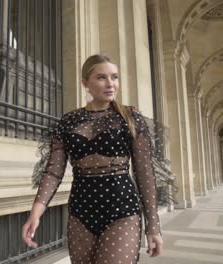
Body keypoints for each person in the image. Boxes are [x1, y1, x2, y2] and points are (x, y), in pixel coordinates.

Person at [22, 54, 163, 263]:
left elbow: (144, 173)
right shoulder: (68, 121)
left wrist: (153, 226)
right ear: (85, 83)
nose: (110, 84)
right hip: (81, 213)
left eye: (114, 77)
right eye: (101, 78)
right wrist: (35, 213)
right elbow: (53, 171)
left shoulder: (130, 118)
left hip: (122, 210)